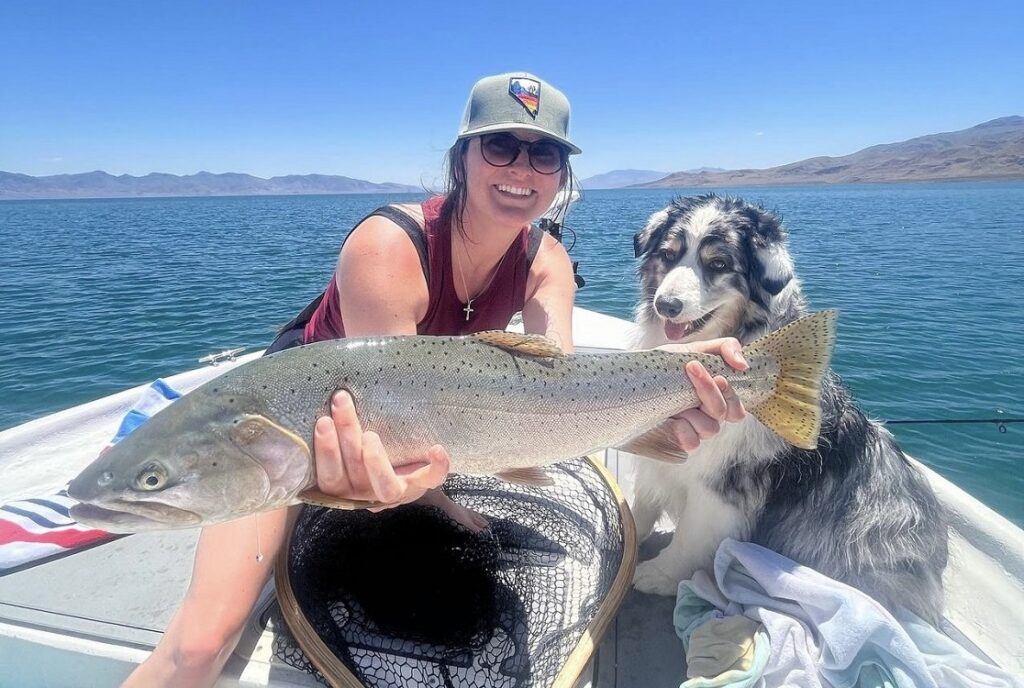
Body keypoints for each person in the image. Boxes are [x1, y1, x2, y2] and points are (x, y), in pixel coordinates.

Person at [122, 72, 747, 687]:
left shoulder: (545, 260)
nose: (521, 169)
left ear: (561, 175)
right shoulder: (387, 247)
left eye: (544, 154)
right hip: (291, 419)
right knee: (200, 644)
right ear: (463, 156)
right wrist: (432, 497)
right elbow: (388, 415)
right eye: (500, 146)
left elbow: (554, 387)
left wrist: (669, 402)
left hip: (428, 408)